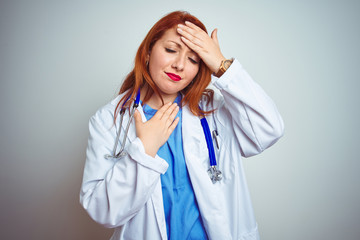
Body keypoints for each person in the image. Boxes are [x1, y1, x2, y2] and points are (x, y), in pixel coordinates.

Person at [80, 10, 284, 240]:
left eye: (193, 59)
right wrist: (144, 151)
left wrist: (222, 66)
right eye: (170, 50)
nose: (179, 65)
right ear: (148, 52)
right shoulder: (110, 119)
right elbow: (103, 211)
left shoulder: (212, 110)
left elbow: (270, 130)